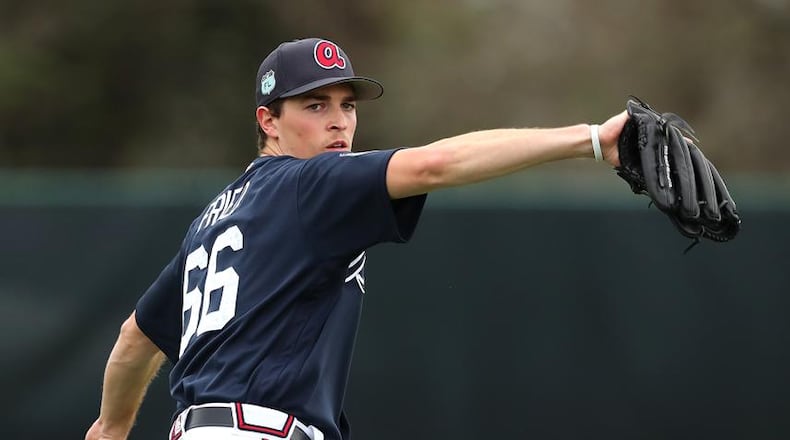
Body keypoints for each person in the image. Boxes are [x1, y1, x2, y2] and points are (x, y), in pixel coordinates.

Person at [85, 37, 628, 440]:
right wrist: (592, 141)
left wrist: (110, 428)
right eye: (315, 106)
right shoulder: (311, 183)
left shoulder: (215, 218)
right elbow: (435, 165)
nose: (339, 122)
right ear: (268, 121)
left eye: (347, 105)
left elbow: (136, 337)